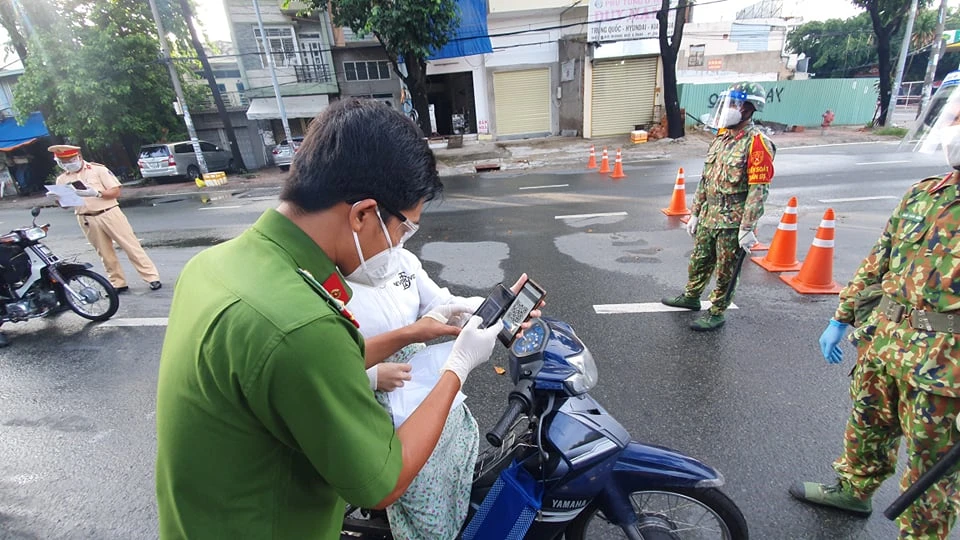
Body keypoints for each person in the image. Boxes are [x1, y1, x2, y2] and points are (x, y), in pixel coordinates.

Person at [155, 99, 501, 539]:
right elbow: (383, 481)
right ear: (361, 214)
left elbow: (318, 365)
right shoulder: (300, 323)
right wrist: (458, 367)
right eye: (404, 229)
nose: (401, 246)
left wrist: (415, 331)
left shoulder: (214, 265)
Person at [790, 76, 960, 538]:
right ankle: (853, 490)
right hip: (885, 341)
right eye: (953, 117)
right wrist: (841, 317)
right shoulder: (925, 193)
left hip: (945, 364)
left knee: (932, 469)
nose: (953, 128)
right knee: (867, 426)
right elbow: (879, 261)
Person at [661, 82, 776, 331]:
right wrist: (695, 212)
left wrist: (747, 227)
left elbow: (759, 190)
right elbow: (706, 178)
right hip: (710, 216)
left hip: (732, 222)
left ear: (748, 108)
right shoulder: (722, 137)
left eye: (735, 103)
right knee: (699, 259)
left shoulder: (756, 143)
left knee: (726, 270)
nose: (729, 108)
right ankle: (691, 297)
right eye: (729, 103)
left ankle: (717, 311)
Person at [47, 145, 161, 293]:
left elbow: (115, 191)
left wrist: (97, 193)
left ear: (78, 157)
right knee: (104, 253)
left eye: (70, 160)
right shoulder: (62, 179)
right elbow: (66, 205)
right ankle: (118, 283)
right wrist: (57, 198)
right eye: (63, 161)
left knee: (131, 246)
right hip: (86, 218)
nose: (67, 163)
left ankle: (152, 278)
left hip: (109, 212)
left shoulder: (97, 170)